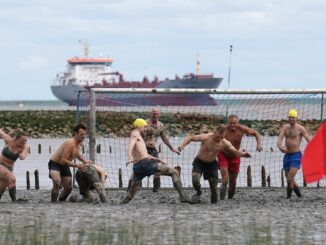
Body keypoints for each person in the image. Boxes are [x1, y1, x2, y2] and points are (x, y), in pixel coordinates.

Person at [121, 118, 190, 204]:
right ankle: (182, 197)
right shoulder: (135, 134)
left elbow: (145, 154)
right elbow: (130, 146)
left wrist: (158, 159)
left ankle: (120, 204)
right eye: (145, 126)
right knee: (174, 172)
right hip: (146, 164)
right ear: (139, 126)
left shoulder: (139, 136)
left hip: (138, 168)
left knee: (130, 196)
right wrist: (130, 157)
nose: (146, 129)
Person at [178, 125, 251, 204]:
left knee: (213, 187)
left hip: (212, 164)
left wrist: (243, 154)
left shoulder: (224, 142)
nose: (219, 139)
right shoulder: (206, 137)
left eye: (221, 137)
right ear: (214, 133)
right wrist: (182, 146)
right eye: (218, 137)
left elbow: (235, 151)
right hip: (199, 162)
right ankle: (198, 192)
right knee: (195, 179)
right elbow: (191, 138)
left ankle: (214, 204)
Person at [217, 114, 263, 200]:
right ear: (228, 122)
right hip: (223, 155)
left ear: (237, 122)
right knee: (225, 179)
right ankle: (221, 199)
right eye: (231, 123)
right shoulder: (224, 130)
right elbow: (213, 137)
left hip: (236, 155)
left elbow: (256, 133)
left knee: (233, 182)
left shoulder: (242, 129)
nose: (232, 125)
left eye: (234, 123)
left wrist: (259, 144)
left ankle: (230, 199)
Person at [48, 123, 91, 202]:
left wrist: (84, 161)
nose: (83, 136)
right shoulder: (70, 142)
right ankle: (53, 203)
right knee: (57, 182)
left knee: (68, 189)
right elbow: (63, 160)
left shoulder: (80, 143)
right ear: (75, 133)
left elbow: (76, 153)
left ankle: (61, 201)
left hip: (64, 166)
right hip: (55, 164)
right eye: (81, 134)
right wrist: (78, 165)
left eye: (84, 134)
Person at [277, 109, 311, 198]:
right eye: (290, 117)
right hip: (287, 155)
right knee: (289, 178)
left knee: (289, 178)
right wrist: (281, 148)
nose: (291, 119)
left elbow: (309, 140)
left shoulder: (300, 128)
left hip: (296, 156)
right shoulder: (285, 127)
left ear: (296, 118)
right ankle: (299, 195)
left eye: (293, 117)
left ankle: (288, 197)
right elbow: (279, 141)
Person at [144, 108, 180, 192]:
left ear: (159, 115)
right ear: (151, 114)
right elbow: (138, 135)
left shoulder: (160, 125)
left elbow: (164, 138)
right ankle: (135, 186)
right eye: (154, 114)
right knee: (139, 167)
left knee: (158, 168)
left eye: (157, 114)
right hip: (143, 148)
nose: (155, 115)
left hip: (152, 149)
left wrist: (172, 149)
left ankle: (156, 188)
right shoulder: (145, 123)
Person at [0, 128, 28, 202]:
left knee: (2, 188)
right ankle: (14, 201)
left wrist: (22, 156)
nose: (24, 143)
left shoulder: (25, 146)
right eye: (22, 141)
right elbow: (1, 133)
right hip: (0, 165)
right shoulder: (8, 140)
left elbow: (24, 155)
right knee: (12, 180)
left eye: (25, 141)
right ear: (17, 138)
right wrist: (1, 131)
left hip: (9, 168)